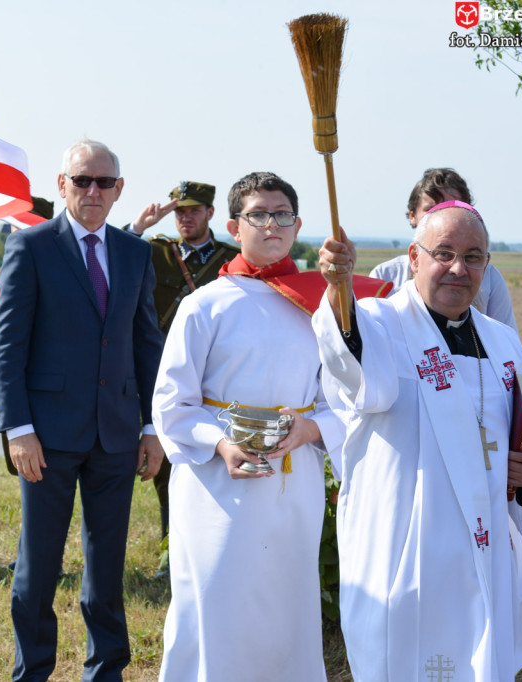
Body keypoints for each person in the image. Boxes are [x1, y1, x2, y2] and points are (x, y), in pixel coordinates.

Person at [314, 201, 522, 680]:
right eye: (444, 253)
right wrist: (339, 291)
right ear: (414, 258)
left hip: (484, 545)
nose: (459, 268)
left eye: (474, 256)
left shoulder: (502, 341)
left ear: (487, 267)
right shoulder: (379, 322)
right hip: (405, 545)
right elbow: (357, 374)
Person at [153, 172, 347, 681]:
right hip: (217, 485)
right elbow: (173, 400)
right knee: (216, 596)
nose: (272, 224)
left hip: (292, 481)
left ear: (298, 224)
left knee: (286, 600)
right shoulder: (205, 305)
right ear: (235, 226)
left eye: (282, 214)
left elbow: (342, 400)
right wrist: (219, 444)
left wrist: (309, 432)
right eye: (259, 215)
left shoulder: (319, 308)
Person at [0, 138, 164, 681]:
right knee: (39, 566)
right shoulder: (32, 247)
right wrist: (18, 429)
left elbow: (145, 344)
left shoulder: (136, 253)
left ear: (119, 190)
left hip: (116, 434)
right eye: (82, 180)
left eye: (104, 182)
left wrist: (151, 426)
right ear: (60, 185)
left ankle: (105, 670)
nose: (93, 191)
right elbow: (8, 345)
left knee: (107, 570)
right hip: (47, 436)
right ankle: (33, 670)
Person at [126, 180, 240, 547]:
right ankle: (170, 545)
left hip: (214, 369)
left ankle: (208, 541)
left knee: (212, 454)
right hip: (163, 365)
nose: (185, 218)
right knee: (166, 451)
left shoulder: (228, 257)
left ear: (210, 213)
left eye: (193, 210)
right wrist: (139, 227)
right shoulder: (156, 250)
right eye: (179, 212)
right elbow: (115, 255)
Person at [370, 168, 518, 329]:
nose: (442, 215)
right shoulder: (384, 275)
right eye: (431, 209)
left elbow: (505, 340)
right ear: (412, 215)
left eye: (451, 208)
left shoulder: (490, 279)